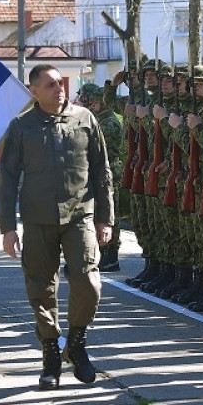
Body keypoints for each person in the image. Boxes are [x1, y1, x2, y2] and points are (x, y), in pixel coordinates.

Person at [0, 64, 114, 390]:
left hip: (80, 216)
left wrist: (106, 219)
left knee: (89, 283)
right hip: (37, 220)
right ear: (33, 91)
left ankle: (76, 343)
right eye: (49, 85)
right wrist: (8, 228)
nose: (58, 89)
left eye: (60, 83)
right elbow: (7, 180)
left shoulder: (85, 119)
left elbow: (102, 172)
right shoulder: (21, 127)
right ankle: (50, 353)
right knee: (41, 290)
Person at [84, 83, 123, 272]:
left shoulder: (108, 123)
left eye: (92, 100)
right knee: (98, 212)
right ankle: (101, 252)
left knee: (109, 213)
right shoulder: (98, 120)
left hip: (110, 171)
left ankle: (111, 255)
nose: (90, 104)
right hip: (98, 170)